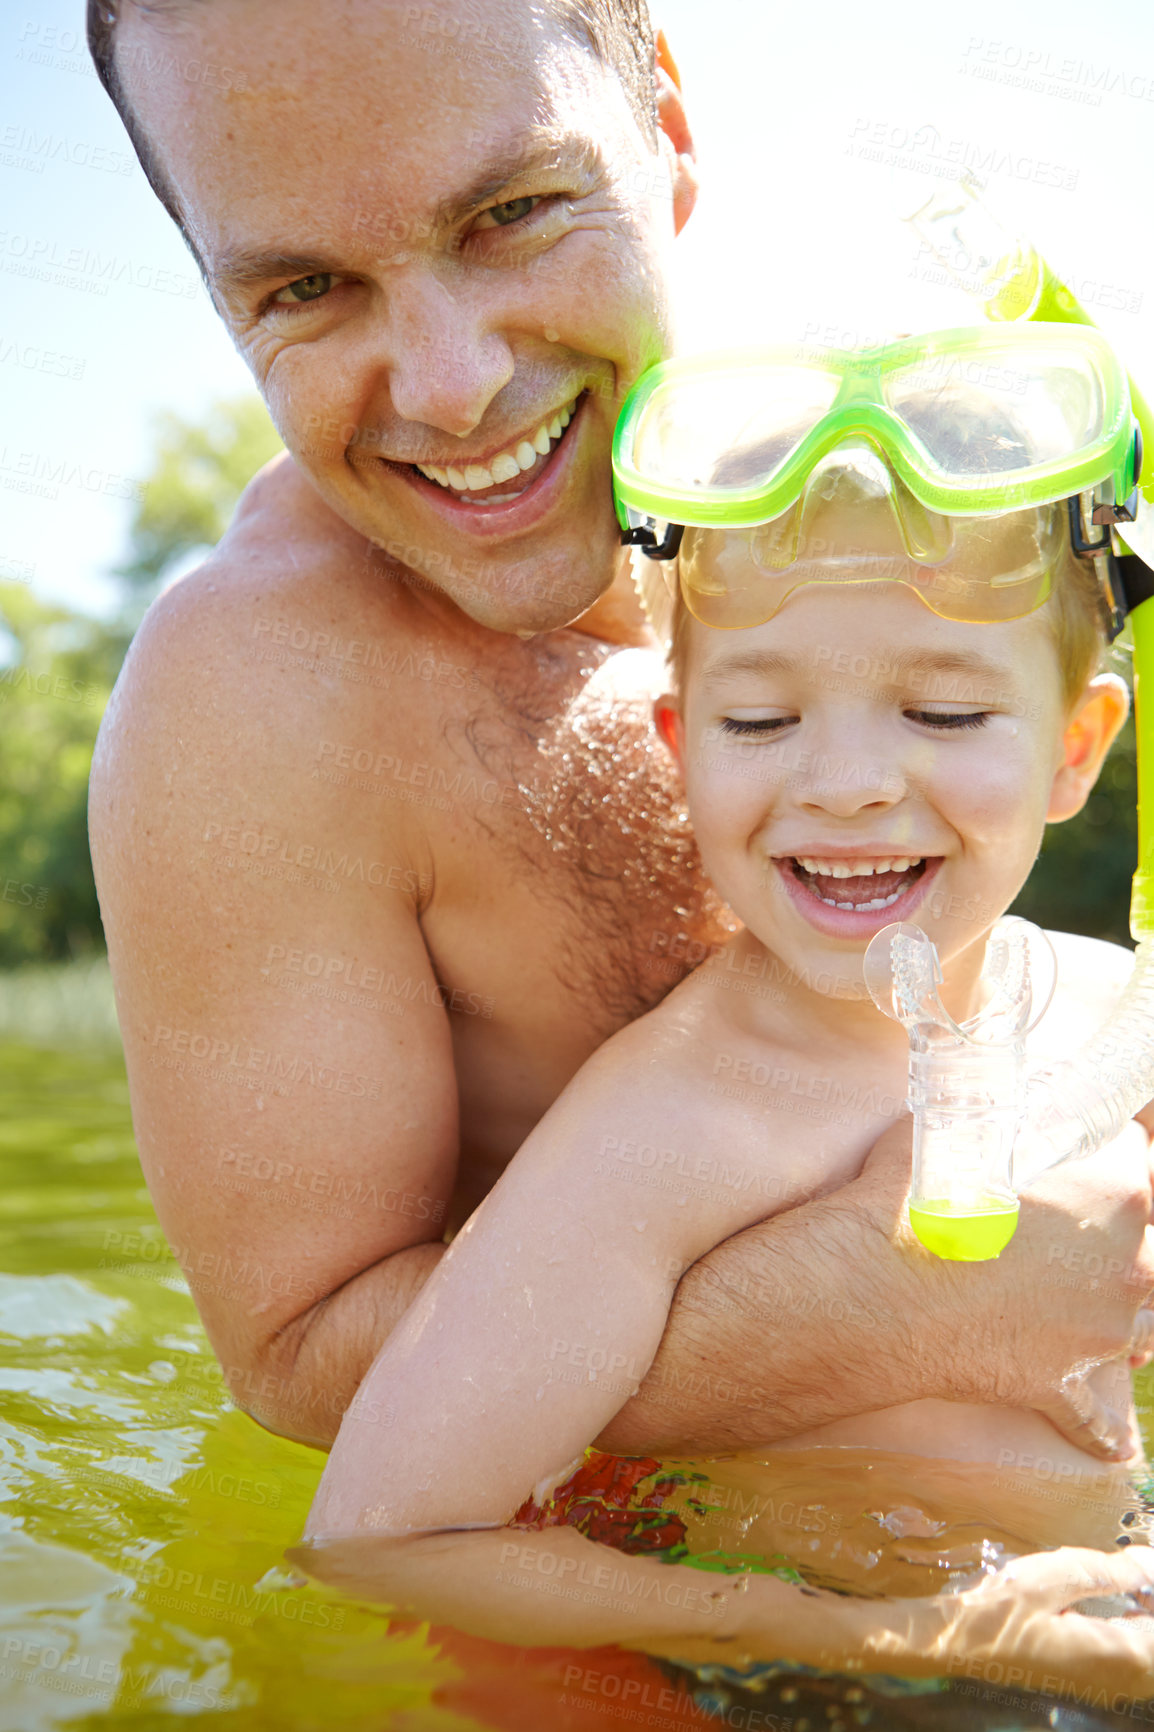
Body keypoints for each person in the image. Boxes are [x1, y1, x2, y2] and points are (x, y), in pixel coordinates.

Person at [86, 0, 1153, 1489]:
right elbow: (301, 1360)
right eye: (306, 287)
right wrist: (897, 1299)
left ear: (667, 128)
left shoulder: (872, 471)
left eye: (512, 211)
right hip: (596, 1573)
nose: (451, 387)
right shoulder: (263, 689)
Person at [299, 332, 1154, 1691]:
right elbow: (380, 1541)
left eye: (939, 711)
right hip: (811, 1676)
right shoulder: (670, 1121)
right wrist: (892, 1638)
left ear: (1073, 748)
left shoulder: (1116, 1016)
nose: (850, 783)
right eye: (758, 724)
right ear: (676, 745)